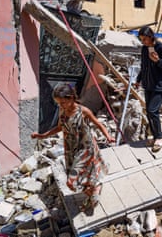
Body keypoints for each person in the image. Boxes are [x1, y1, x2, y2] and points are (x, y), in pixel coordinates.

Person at [31, 83, 115, 211]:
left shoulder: (83, 111)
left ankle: (94, 189)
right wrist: (42, 135)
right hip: (70, 149)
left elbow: (98, 124)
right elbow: (60, 127)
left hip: (85, 148)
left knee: (71, 182)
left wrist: (108, 136)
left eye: (63, 102)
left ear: (71, 98)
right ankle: (94, 190)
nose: (61, 105)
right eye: (59, 103)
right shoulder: (62, 111)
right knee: (81, 177)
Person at [134, 26, 162, 152]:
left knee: (152, 110)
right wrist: (138, 80)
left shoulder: (160, 48)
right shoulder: (144, 49)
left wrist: (158, 61)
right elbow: (143, 66)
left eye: (145, 39)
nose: (143, 42)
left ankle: (159, 138)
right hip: (148, 84)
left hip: (159, 85)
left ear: (151, 36)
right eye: (141, 39)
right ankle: (154, 135)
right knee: (149, 111)